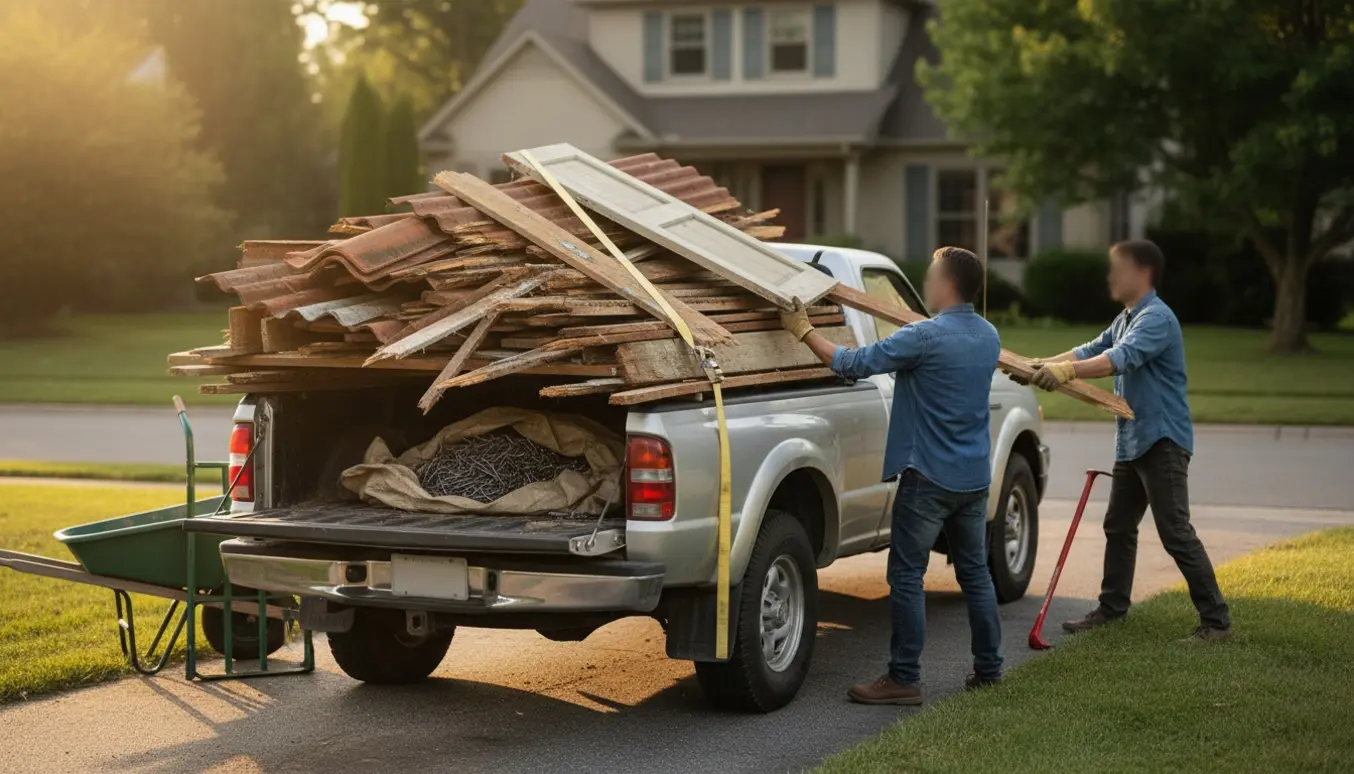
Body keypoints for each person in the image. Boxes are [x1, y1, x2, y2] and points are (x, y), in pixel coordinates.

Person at [781, 246, 1003, 706]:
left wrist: (804, 331)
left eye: (932, 274)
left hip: (928, 479)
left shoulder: (924, 336)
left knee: (905, 576)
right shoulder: (989, 336)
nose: (927, 281)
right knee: (976, 576)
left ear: (948, 284)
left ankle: (903, 678)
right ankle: (990, 669)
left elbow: (852, 364)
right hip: (973, 478)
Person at [1024, 239, 1231, 641]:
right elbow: (1092, 348)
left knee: (1175, 531)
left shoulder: (1157, 319)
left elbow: (1119, 358)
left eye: (1116, 269)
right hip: (1133, 439)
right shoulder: (1126, 318)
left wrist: (1066, 374)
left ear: (1141, 272)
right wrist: (1041, 364)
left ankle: (1217, 621)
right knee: (1118, 525)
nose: (1110, 277)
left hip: (1163, 439)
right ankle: (1112, 608)